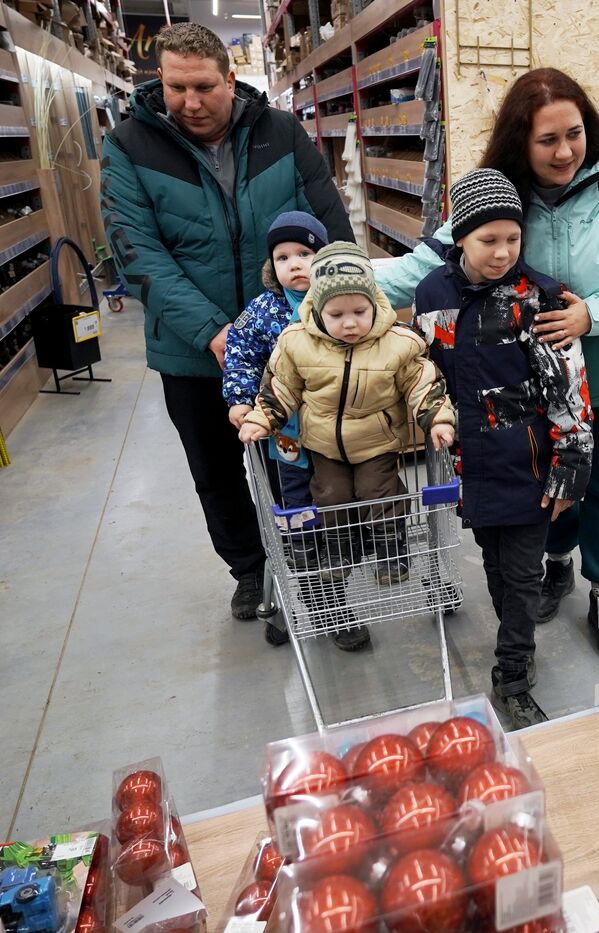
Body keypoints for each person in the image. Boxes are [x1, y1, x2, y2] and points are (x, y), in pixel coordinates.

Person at [377, 68, 599, 636]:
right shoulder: (498, 195)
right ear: (521, 139)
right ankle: (557, 565)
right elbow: (427, 264)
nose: (565, 150)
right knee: (552, 479)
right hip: (532, 385)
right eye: (547, 139)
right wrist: (334, 280)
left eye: (574, 133)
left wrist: (591, 314)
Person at [101, 23, 353, 625]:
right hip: (193, 352)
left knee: (308, 462)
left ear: (230, 78)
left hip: (295, 344)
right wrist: (217, 333)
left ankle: (321, 576)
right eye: (176, 87)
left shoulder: (282, 133)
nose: (190, 102)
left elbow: (332, 227)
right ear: (160, 79)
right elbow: (136, 250)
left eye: (204, 87)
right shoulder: (131, 145)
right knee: (217, 468)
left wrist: (339, 309)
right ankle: (251, 570)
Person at [413, 168, 593, 727]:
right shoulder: (432, 295)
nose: (502, 252)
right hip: (471, 466)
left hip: (531, 465)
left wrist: (569, 473)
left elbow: (570, 393)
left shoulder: (540, 299)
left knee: (521, 575)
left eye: (512, 239)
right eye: (488, 240)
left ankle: (512, 673)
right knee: (494, 566)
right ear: (460, 237)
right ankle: (514, 644)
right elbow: (425, 375)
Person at [239, 243, 456, 651]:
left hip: (377, 443)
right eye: (336, 315)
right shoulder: (296, 343)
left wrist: (439, 419)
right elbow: (279, 390)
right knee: (332, 497)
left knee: (381, 493)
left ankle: (392, 552)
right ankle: (341, 553)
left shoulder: (397, 343)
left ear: (376, 302)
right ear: (318, 310)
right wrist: (259, 419)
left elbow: (422, 383)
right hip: (323, 446)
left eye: (359, 312)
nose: (350, 324)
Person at [223, 211, 328, 647]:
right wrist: (241, 400)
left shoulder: (341, 300)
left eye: (305, 253)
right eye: (283, 257)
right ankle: (301, 596)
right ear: (272, 266)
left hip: (341, 433)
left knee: (337, 510)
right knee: (295, 511)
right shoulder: (263, 311)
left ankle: (337, 599)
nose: (295, 264)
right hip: (288, 435)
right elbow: (240, 352)